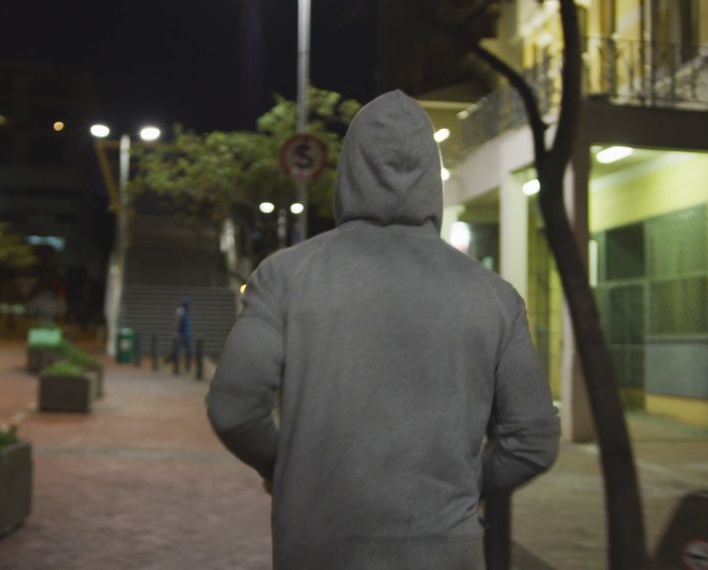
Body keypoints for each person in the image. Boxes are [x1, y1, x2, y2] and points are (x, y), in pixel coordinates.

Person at [206, 90, 561, 569]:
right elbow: (533, 439)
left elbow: (233, 408)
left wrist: (289, 470)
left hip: (319, 545)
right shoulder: (492, 295)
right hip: (444, 550)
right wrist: (464, 484)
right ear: (431, 179)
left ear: (348, 172)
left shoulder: (286, 276)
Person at [171, 298, 193, 370]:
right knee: (179, 352)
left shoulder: (186, 312)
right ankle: (177, 368)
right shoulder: (180, 312)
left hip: (187, 334)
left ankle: (187, 367)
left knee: (189, 351)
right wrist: (176, 333)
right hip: (181, 335)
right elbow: (177, 324)